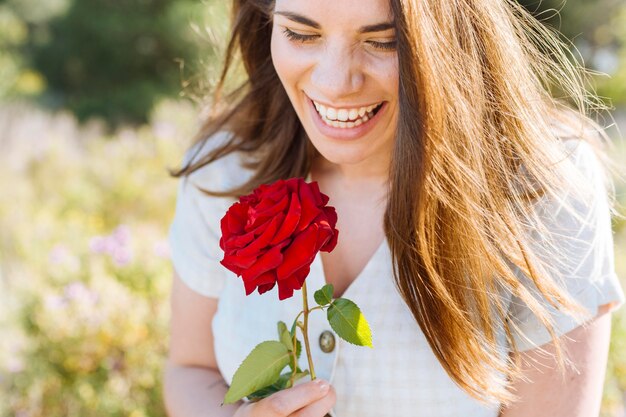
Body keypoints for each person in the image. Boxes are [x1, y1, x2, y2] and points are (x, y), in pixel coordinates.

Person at [163, 0, 626, 416]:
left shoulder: (542, 188)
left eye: (384, 41)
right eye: (301, 34)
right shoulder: (225, 168)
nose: (335, 82)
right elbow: (189, 369)